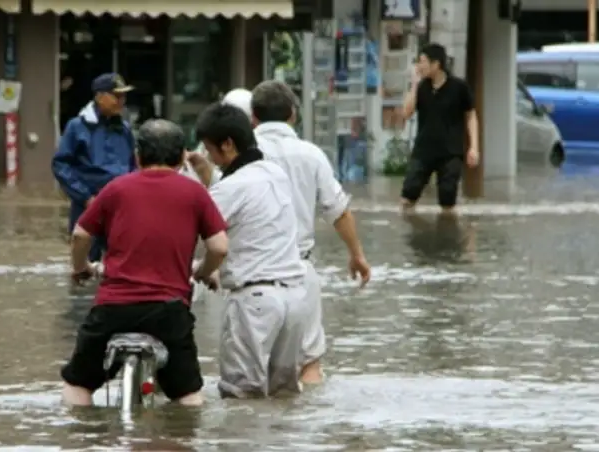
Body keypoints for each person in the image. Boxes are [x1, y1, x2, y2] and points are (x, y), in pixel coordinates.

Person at [60, 119, 229, 407]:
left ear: (137, 156)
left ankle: (84, 439)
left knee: (79, 385)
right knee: (188, 397)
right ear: (180, 158)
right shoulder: (195, 193)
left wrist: (81, 267)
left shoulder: (116, 189)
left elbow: (80, 235)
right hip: (169, 313)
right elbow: (219, 247)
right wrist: (204, 272)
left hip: (113, 311)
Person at [248, 80, 372, 384]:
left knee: (249, 374)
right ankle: (304, 429)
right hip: (299, 272)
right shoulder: (311, 154)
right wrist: (357, 255)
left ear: (253, 117)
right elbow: (338, 211)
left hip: (250, 275)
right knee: (310, 366)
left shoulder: (243, 153)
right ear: (293, 114)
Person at [192, 102, 309, 398]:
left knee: (241, 398)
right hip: (295, 298)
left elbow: (206, 238)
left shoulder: (228, 190)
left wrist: (205, 271)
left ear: (228, 144)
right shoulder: (275, 173)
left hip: (254, 302)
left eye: (210, 149)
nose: (210, 157)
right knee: (285, 395)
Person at [52, 73, 137, 263]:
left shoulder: (124, 129)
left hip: (120, 206)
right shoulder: (77, 127)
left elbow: (133, 166)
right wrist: (85, 197)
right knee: (85, 261)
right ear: (99, 97)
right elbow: (61, 165)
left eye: (123, 96)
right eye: (116, 95)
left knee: (121, 260)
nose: (121, 101)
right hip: (88, 204)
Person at [401, 43, 480, 214]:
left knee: (447, 200)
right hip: (423, 150)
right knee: (408, 196)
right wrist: (414, 84)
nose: (419, 66)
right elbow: (406, 113)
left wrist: (473, 147)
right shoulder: (422, 88)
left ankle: (448, 236)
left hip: (450, 152)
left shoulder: (459, 87)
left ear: (436, 64)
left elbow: (471, 116)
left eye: (422, 62)